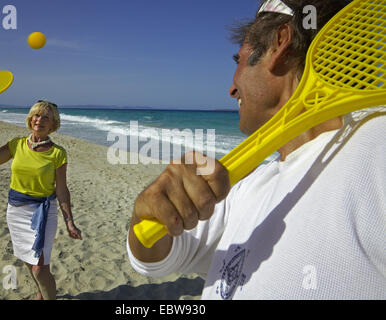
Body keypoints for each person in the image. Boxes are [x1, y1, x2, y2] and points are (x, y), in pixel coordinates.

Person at [127, 0, 386, 299]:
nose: (231, 89)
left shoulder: (376, 149)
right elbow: (153, 258)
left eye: (239, 59)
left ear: (279, 43)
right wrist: (148, 212)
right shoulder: (249, 185)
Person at [0, 100, 82, 300]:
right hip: (16, 211)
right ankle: (40, 293)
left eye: (46, 117)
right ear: (30, 119)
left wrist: (69, 221)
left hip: (43, 212)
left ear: (53, 124)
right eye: (36, 115)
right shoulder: (16, 145)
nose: (40, 120)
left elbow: (62, 190)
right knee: (29, 260)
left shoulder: (58, 153)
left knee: (39, 269)